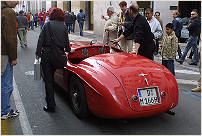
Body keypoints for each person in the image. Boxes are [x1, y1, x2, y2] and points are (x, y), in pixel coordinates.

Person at [35, 8, 71, 112]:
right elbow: (66, 42)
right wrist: (68, 50)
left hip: (47, 56)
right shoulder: (64, 26)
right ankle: (51, 100)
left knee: (48, 81)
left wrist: (38, 53)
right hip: (59, 56)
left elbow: (40, 39)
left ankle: (51, 105)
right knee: (52, 78)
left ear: (52, 15)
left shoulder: (47, 25)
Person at [1, 1, 19, 120]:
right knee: (6, 83)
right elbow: (11, 37)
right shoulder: (8, 12)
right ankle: (5, 111)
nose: (18, 2)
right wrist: (13, 57)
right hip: (4, 53)